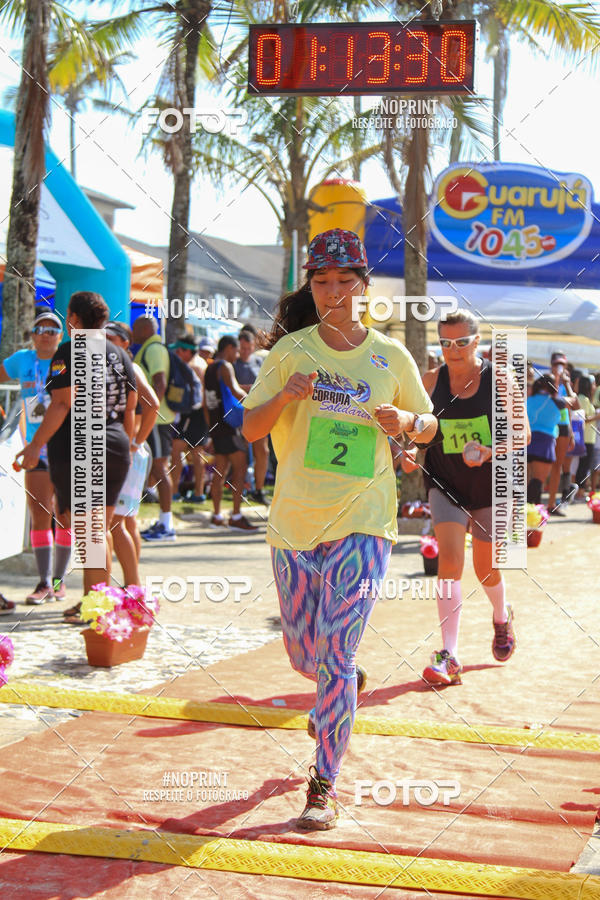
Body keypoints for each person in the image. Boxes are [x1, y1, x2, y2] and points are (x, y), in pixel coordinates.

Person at [242, 228, 437, 830]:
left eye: (344, 281)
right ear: (310, 285)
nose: (332, 292)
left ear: (363, 285)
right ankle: (338, 684)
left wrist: (406, 421)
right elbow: (250, 428)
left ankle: (322, 784)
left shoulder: (390, 355)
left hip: (364, 519)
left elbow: (428, 423)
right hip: (295, 522)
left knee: (336, 653)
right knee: (307, 654)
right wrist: (285, 397)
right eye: (322, 282)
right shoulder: (290, 351)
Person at [403, 309, 529, 687]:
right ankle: (450, 654)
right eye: (445, 343)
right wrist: (411, 449)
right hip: (445, 482)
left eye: (461, 342)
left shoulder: (501, 380)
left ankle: (501, 615)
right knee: (450, 559)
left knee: (485, 567)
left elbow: (522, 435)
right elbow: (419, 428)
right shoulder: (430, 380)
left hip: (491, 486)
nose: (453, 350)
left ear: (477, 342)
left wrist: (490, 451)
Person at [15, 292, 137, 600]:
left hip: (82, 447)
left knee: (90, 532)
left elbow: (61, 403)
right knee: (99, 529)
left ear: (75, 319)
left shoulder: (68, 352)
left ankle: (95, 605)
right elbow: (131, 407)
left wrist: (35, 446)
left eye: (68, 315)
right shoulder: (119, 354)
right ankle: (95, 603)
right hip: (116, 444)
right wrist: (127, 447)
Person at [0, 311, 68, 609]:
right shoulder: (22, 360)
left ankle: (59, 582)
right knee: (40, 513)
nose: (46, 334)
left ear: (60, 336)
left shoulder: (67, 360)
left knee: (64, 516)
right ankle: (44, 582)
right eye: (40, 329)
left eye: (53, 330)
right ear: (32, 334)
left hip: (65, 446)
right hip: (34, 449)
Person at [105, 321, 160, 583]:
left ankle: (132, 586)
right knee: (126, 521)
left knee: (116, 523)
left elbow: (154, 405)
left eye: (111, 338)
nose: (105, 342)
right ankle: (132, 586)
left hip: (129, 453)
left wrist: (136, 442)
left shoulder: (130, 367)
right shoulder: (112, 367)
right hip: (127, 452)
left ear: (125, 343)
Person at [204, 335, 257, 531]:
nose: (237, 355)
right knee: (240, 469)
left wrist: (210, 429)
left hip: (216, 426)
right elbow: (235, 391)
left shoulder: (210, 368)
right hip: (229, 426)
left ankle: (217, 515)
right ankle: (236, 516)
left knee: (220, 471)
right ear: (228, 348)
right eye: (236, 351)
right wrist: (255, 403)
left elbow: (207, 401)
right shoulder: (225, 366)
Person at [131, 315, 177, 541]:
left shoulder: (153, 349)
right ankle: (163, 522)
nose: (133, 332)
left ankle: (167, 524)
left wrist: (151, 411)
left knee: (160, 468)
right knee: (156, 468)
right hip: (154, 419)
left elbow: (160, 383)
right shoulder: (150, 348)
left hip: (157, 420)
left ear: (146, 329)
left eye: (136, 328)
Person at [169, 335, 209, 502]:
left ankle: (174, 491)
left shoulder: (192, 365)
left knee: (176, 450)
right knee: (197, 452)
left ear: (187, 351)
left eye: (179, 350)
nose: (177, 354)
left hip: (191, 413)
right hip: (200, 413)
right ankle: (199, 493)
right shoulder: (202, 363)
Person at [234, 329, 270, 505]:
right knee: (241, 455)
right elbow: (230, 386)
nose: (245, 351)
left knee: (262, 452)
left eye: (248, 348)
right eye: (243, 348)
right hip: (237, 414)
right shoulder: (233, 364)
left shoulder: (259, 361)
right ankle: (240, 489)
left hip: (258, 412)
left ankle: (259, 489)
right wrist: (248, 389)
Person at [545, 351, 579, 516]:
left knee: (558, 465)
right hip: (547, 425)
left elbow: (574, 406)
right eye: (556, 364)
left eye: (562, 364)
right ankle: (535, 503)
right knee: (542, 464)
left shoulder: (567, 383)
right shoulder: (546, 380)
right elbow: (550, 399)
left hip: (563, 425)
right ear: (551, 365)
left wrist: (571, 431)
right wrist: (557, 379)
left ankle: (552, 503)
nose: (559, 367)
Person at [526, 374, 570, 504]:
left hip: (528, 442)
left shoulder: (529, 399)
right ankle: (524, 509)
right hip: (544, 443)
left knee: (530, 480)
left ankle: (533, 510)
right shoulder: (557, 402)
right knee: (538, 480)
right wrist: (567, 384)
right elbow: (576, 404)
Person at [574, 375, 600, 498]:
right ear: (588, 385)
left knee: (584, 466)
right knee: (583, 466)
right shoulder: (582, 399)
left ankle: (580, 491)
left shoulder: (586, 399)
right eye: (593, 384)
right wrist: (597, 416)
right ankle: (580, 492)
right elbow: (582, 419)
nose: (595, 387)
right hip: (585, 438)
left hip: (589, 438)